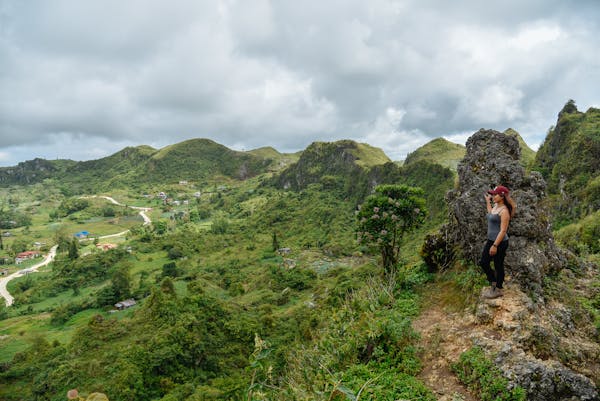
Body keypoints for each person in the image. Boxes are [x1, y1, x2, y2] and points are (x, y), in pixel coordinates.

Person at [480, 185, 516, 299]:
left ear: (502, 196)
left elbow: (503, 230)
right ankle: (493, 282)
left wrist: (495, 245)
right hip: (491, 240)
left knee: (498, 265)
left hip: (500, 242)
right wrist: (487, 202)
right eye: (492, 194)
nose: (493, 196)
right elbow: (491, 213)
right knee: (483, 262)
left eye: (495, 194)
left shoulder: (504, 211)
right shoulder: (496, 206)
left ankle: (498, 289)